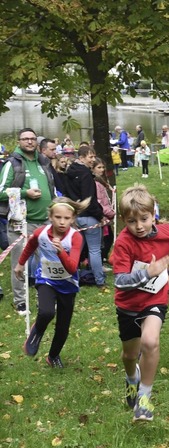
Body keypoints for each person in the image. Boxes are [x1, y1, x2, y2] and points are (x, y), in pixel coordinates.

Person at [111, 185, 169, 421]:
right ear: (123, 220)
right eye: (131, 221)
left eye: (144, 219)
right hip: (128, 304)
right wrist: (148, 272)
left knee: (150, 340)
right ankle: (131, 379)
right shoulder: (124, 242)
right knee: (129, 355)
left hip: (155, 299)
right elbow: (120, 281)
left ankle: (144, 399)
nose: (139, 226)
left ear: (153, 213)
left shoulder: (166, 231)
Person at [17, 197, 89, 367]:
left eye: (66, 218)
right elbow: (30, 246)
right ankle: (37, 332)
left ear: (72, 219)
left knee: (63, 326)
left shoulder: (75, 237)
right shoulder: (41, 232)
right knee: (46, 312)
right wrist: (20, 264)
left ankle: (53, 356)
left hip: (68, 284)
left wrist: (61, 252)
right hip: (46, 279)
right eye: (58, 217)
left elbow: (72, 268)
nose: (62, 222)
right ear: (50, 216)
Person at [0, 128, 56, 315]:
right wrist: (25, 193)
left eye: (33, 139)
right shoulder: (12, 164)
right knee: (20, 263)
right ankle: (21, 301)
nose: (30, 142)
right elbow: (1, 192)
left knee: (47, 262)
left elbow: (51, 188)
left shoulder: (43, 162)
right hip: (21, 223)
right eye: (26, 139)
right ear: (19, 141)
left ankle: (46, 298)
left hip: (45, 222)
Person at [65, 145, 106, 288]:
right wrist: (100, 215)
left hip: (75, 217)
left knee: (76, 249)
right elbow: (89, 199)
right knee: (94, 249)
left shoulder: (68, 172)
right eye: (91, 157)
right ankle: (100, 280)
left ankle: (71, 279)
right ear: (81, 158)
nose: (93, 160)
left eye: (94, 157)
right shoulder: (86, 174)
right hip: (88, 216)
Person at [92, 158, 116, 266]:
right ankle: (100, 262)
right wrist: (109, 212)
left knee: (107, 238)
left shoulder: (100, 181)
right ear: (93, 169)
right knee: (105, 239)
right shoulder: (95, 183)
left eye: (103, 167)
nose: (102, 170)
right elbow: (99, 201)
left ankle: (103, 259)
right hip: (102, 215)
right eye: (99, 167)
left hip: (105, 214)